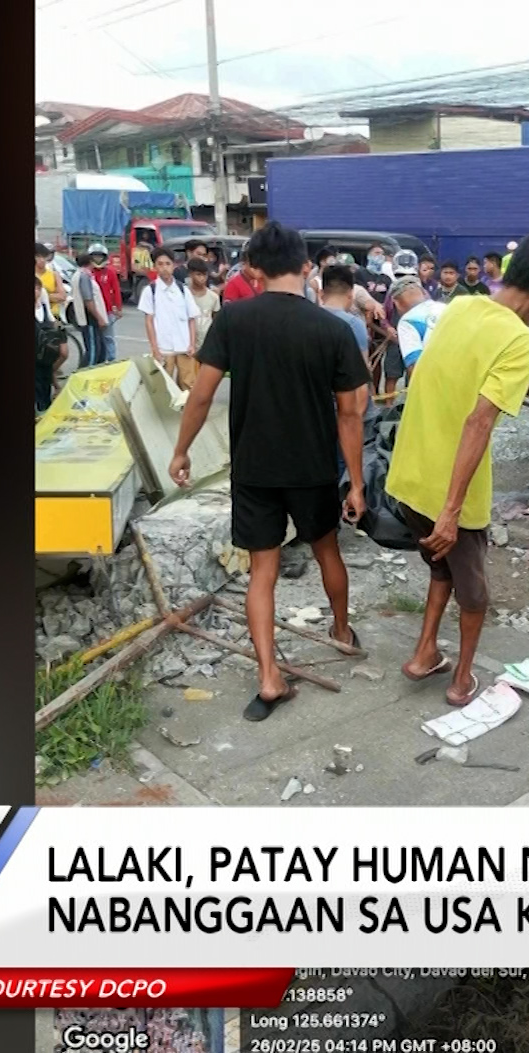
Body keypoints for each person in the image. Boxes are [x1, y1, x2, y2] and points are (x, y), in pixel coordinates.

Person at [169, 223, 370, 721]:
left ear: (253, 270)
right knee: (326, 550)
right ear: (307, 267)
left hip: (255, 468)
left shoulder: (233, 320)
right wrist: (358, 483)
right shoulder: (333, 328)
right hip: (312, 469)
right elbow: (351, 414)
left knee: (263, 571)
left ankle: (268, 677)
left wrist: (181, 451)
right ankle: (342, 632)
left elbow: (201, 393)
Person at [385, 234, 529, 708]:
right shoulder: (517, 339)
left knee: (441, 567)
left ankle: (425, 654)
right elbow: (478, 421)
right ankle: (461, 681)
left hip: (409, 474)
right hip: (450, 489)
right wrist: (452, 511)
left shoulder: (459, 309)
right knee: (475, 595)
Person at [139, 247, 201, 389]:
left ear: (173, 266)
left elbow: (192, 318)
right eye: (160, 264)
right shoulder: (150, 291)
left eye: (167, 264)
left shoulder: (182, 290)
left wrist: (191, 344)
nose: (164, 268)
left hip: (184, 346)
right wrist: (154, 348)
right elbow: (149, 321)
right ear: (155, 267)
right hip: (163, 347)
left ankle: (186, 411)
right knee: (163, 387)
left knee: (188, 384)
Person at [391, 277, 445, 383]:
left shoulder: (408, 321)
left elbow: (415, 365)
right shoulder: (446, 308)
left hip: (436, 383)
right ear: (424, 293)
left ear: (396, 303)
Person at [316, 263, 371, 358]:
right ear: (350, 294)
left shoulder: (305, 319)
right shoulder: (354, 324)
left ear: (321, 293)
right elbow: (362, 365)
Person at [67, 251, 111, 369]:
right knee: (93, 351)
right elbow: (88, 300)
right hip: (89, 319)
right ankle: (85, 375)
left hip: (90, 317)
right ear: (90, 262)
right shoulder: (84, 276)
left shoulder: (81, 275)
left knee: (100, 350)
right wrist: (99, 318)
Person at [34, 276, 68, 414]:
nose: (35, 291)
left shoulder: (43, 306)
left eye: (37, 288)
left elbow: (52, 322)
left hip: (46, 356)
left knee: (45, 384)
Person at [87, 243, 126, 358]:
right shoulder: (88, 273)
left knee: (109, 338)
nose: (97, 259)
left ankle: (111, 359)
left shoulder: (110, 272)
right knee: (95, 339)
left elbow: (116, 290)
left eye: (100, 256)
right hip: (92, 310)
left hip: (108, 311)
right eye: (95, 256)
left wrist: (118, 308)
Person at [186, 257, 221, 351]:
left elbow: (216, 320)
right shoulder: (184, 295)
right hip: (187, 344)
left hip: (207, 344)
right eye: (198, 274)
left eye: (204, 275)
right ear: (190, 274)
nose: (202, 278)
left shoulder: (213, 297)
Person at [36, 243, 67, 319]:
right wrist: (52, 295)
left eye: (44, 256)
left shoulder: (54, 274)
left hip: (55, 315)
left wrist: (43, 296)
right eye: (38, 257)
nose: (42, 260)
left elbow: (62, 296)